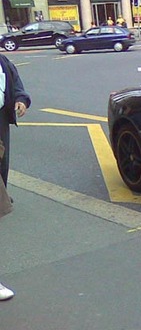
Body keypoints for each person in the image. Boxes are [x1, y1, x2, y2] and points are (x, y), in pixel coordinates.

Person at [0, 53, 31, 301]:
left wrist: (21, 100)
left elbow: (17, 86)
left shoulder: (3, 62)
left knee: (2, 174)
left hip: (0, 123)